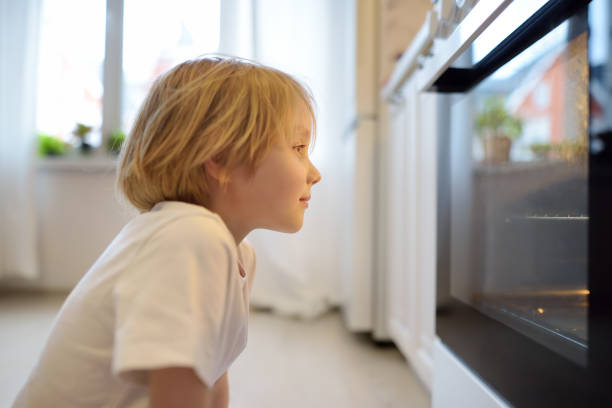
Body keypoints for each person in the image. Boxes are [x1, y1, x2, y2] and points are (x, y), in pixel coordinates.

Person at [13, 55, 321, 408]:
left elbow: (211, 377)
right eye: (298, 148)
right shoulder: (190, 237)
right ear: (220, 158)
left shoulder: (236, 253)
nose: (314, 172)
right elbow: (177, 393)